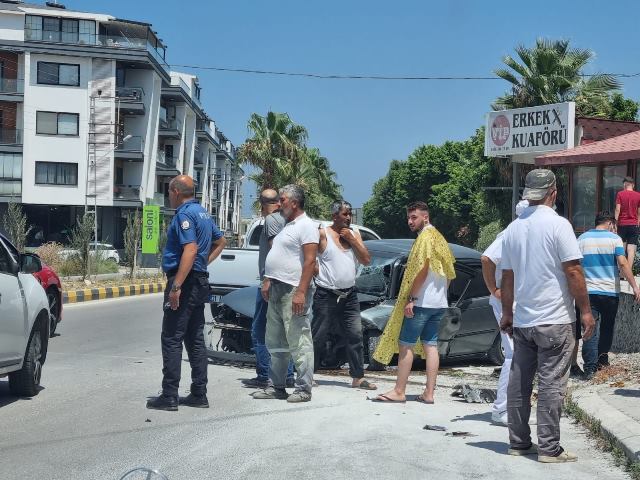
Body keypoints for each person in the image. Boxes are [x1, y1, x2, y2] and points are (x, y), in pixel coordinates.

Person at [500, 169, 595, 463]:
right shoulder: (558, 225)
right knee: (552, 382)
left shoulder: (513, 228)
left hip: (524, 321)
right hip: (555, 318)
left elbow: (507, 276)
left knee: (520, 381)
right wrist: (587, 312)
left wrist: (507, 313)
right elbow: (573, 270)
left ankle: (518, 442)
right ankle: (549, 448)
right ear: (553, 192)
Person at [147, 175, 227, 411]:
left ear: (175, 191)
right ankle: (198, 393)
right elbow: (221, 242)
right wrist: (203, 264)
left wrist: (177, 285)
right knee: (195, 338)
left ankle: (169, 395)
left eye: (169, 191)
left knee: (172, 337)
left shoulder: (184, 214)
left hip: (186, 281)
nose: (169, 196)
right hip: (199, 281)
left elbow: (190, 250)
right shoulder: (202, 213)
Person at [372, 201, 456, 403]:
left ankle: (399, 391)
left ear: (425, 217)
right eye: (408, 217)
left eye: (414, 217)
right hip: (438, 302)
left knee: (405, 345)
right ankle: (429, 393)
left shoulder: (425, 238)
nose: (410, 221)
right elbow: (451, 270)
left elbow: (422, 270)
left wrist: (412, 298)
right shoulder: (439, 237)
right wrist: (441, 292)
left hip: (421, 302)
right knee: (430, 346)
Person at [253, 185, 319, 403]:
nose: (279, 204)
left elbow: (310, 261)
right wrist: (268, 279)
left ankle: (303, 389)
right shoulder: (287, 225)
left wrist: (301, 292)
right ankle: (276, 386)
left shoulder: (306, 226)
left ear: (295, 202)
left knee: (299, 340)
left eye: (283, 200)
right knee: (276, 341)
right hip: (277, 288)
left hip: (293, 289)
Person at [312, 200, 376, 390]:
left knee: (355, 335)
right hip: (326, 293)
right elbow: (307, 256)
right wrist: (317, 272)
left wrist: (353, 239)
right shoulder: (323, 233)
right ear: (334, 216)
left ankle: (357, 377)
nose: (348, 218)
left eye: (350, 214)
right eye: (345, 214)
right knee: (319, 335)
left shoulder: (354, 234)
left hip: (349, 295)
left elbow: (365, 260)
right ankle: (308, 374)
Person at [574, 211, 640, 378]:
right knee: (607, 328)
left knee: (589, 328)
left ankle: (590, 369)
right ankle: (602, 362)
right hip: (609, 292)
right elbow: (623, 263)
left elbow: (574, 266)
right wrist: (634, 286)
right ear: (610, 223)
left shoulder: (581, 239)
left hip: (587, 293)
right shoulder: (614, 239)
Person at [480, 200, 529, 426]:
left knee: (517, 355)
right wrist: (494, 289)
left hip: (515, 302)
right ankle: (501, 410)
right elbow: (487, 258)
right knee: (512, 355)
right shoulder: (509, 234)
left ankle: (511, 407)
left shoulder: (519, 233)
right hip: (506, 302)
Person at [242, 189, 295, 389]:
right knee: (283, 332)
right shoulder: (287, 219)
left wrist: (267, 279)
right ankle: (287, 375)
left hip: (272, 282)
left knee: (260, 331)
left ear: (262, 204)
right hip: (286, 281)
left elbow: (276, 251)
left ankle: (265, 374)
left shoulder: (272, 220)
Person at [615, 176, 640, 267]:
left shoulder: (620, 194)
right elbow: (639, 212)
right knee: (631, 249)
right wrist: (638, 223)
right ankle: (628, 272)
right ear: (633, 185)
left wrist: (615, 223)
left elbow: (618, 209)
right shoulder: (638, 195)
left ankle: (621, 272)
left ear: (624, 185)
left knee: (622, 248)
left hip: (622, 224)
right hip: (634, 224)